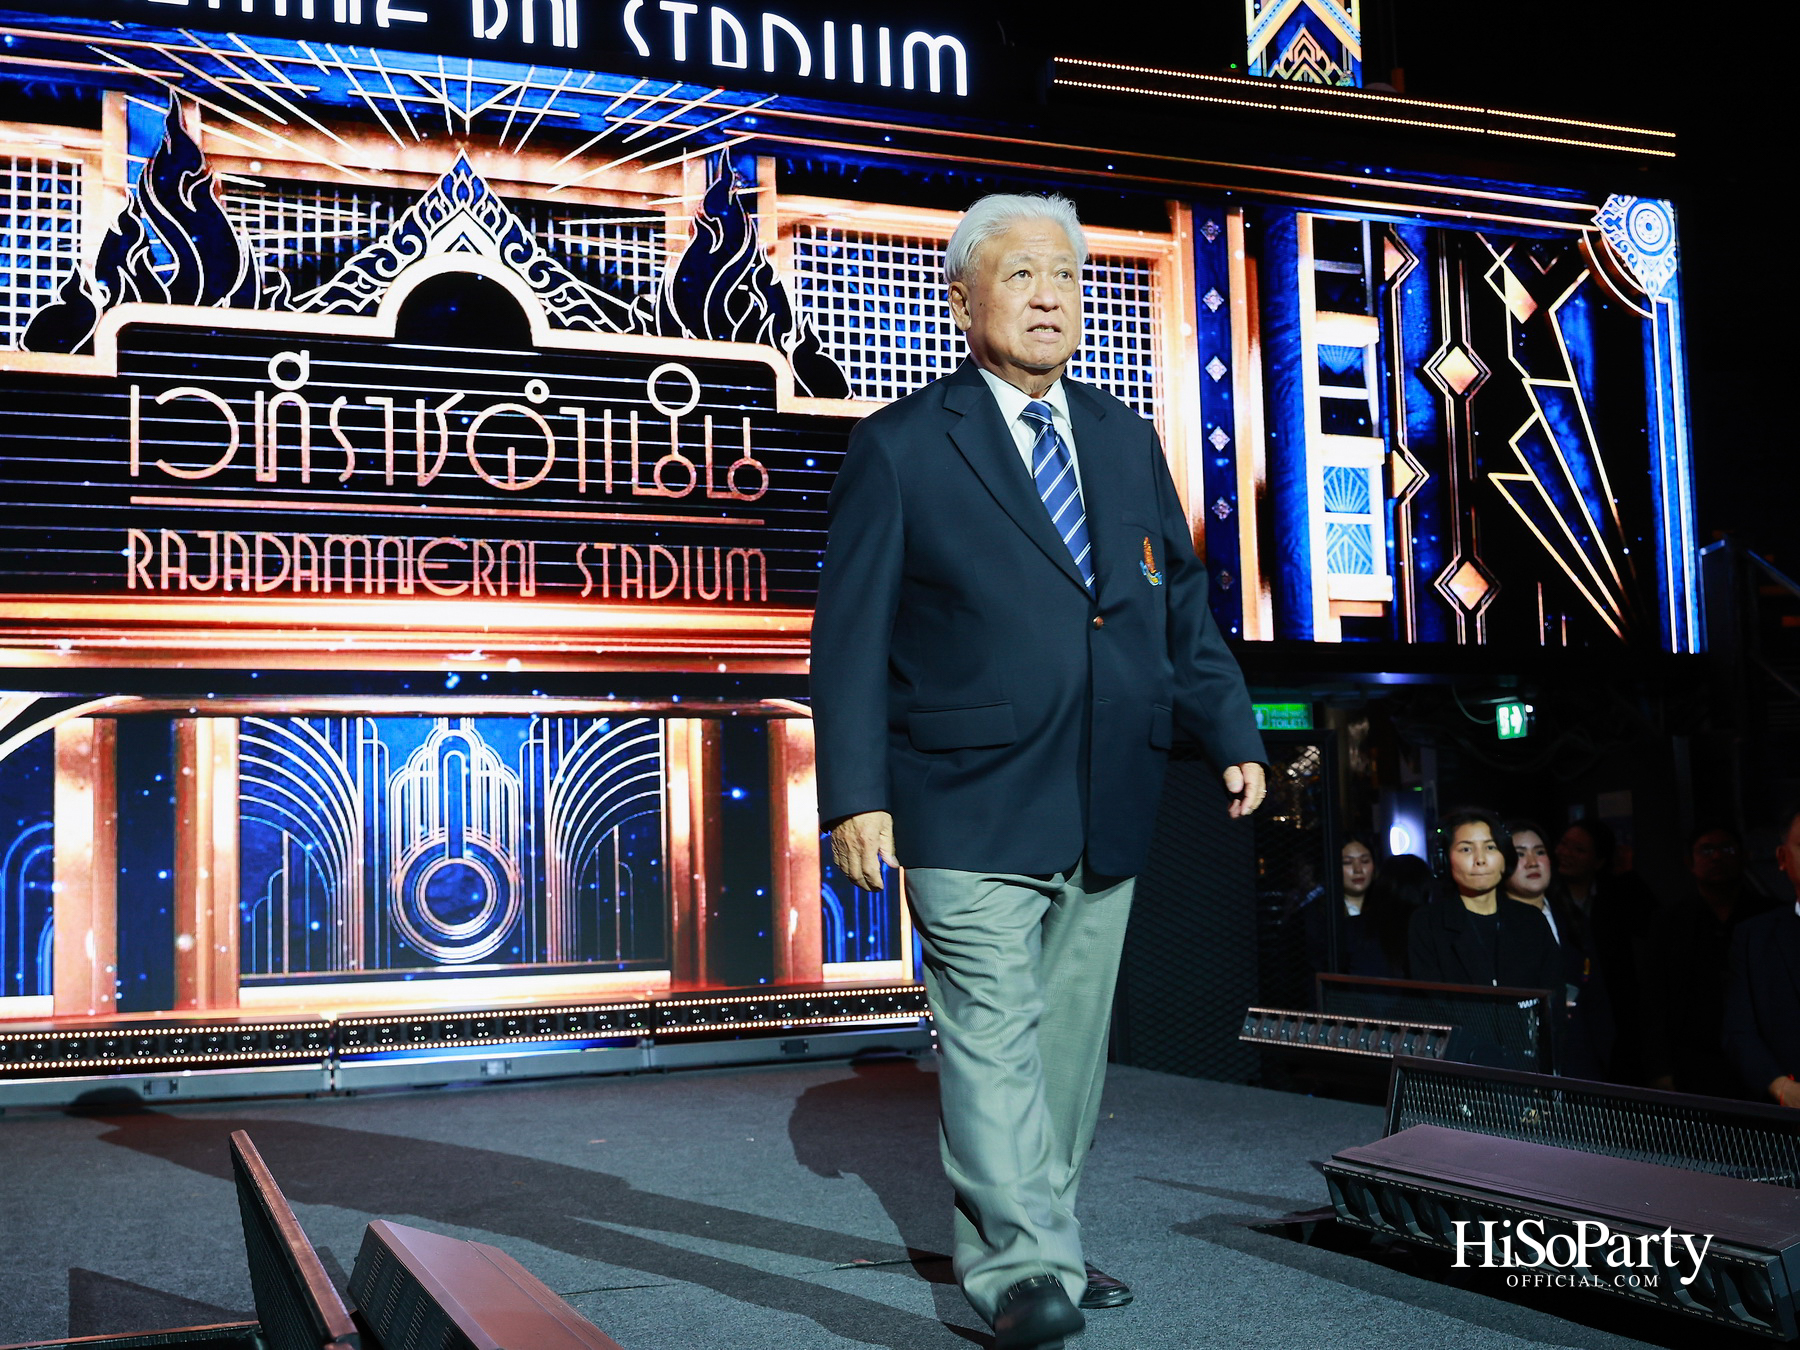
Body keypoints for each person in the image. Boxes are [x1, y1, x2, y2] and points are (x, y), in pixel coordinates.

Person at [810, 192, 1267, 1350]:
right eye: (1021, 275)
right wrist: (854, 794)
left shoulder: (1118, 435)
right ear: (962, 300)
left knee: (1066, 1047)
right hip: (962, 797)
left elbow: (1175, 605)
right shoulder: (905, 445)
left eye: (1065, 274)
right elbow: (849, 636)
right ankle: (1019, 1272)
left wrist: (1235, 731)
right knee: (992, 1031)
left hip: (1108, 792)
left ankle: (1045, 1240)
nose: (1052, 293)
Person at [1648, 824, 1774, 1097]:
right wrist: (1660, 1068)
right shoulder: (1669, 923)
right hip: (1692, 1059)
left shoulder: (1770, 918)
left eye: (1726, 849)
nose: (1717, 857)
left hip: (1766, 1058)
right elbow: (1654, 998)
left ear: (1744, 855)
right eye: (1706, 850)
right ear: (1689, 862)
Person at [1552, 818, 1659, 1082]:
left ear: (1598, 861)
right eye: (1564, 844)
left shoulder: (1615, 896)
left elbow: (1651, 922)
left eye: (1579, 849)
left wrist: (1628, 874)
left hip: (1613, 1007)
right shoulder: (1547, 896)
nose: (1566, 853)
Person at [1408, 809, 1562, 993]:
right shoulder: (1428, 924)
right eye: (1466, 849)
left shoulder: (1531, 920)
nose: (1480, 860)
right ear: (1445, 861)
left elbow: (1553, 997)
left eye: (1490, 847)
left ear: (1505, 857)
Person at [1505, 818, 1610, 1078]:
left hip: (1581, 1066)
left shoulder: (1571, 918)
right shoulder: (1496, 928)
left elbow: (1597, 1000)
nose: (1532, 862)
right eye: (1519, 854)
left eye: (1540, 852)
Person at [1722, 809, 1800, 1105]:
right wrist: (1781, 1086)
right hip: (1789, 1125)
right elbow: (1739, 1029)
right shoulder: (1755, 937)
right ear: (1782, 858)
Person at [1305, 833, 1400, 981]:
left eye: (1365, 861)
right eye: (1347, 862)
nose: (1358, 869)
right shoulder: (1317, 914)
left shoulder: (1391, 910)